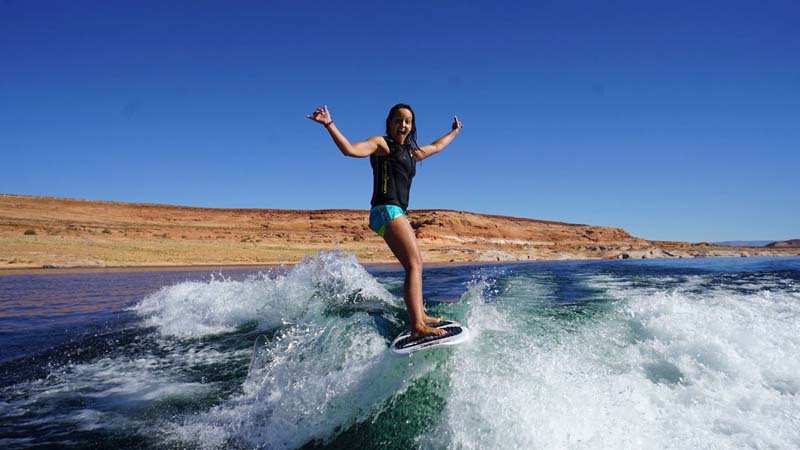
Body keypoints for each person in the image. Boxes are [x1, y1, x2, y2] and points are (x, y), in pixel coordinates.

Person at [307, 103, 463, 339]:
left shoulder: (412, 153)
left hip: (396, 211)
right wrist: (329, 124)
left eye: (408, 121)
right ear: (389, 123)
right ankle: (417, 326)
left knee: (416, 264)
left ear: (412, 126)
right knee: (414, 265)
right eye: (398, 120)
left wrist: (454, 131)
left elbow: (437, 146)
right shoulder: (381, 144)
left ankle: (420, 315)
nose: (403, 125)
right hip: (386, 209)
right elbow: (349, 150)